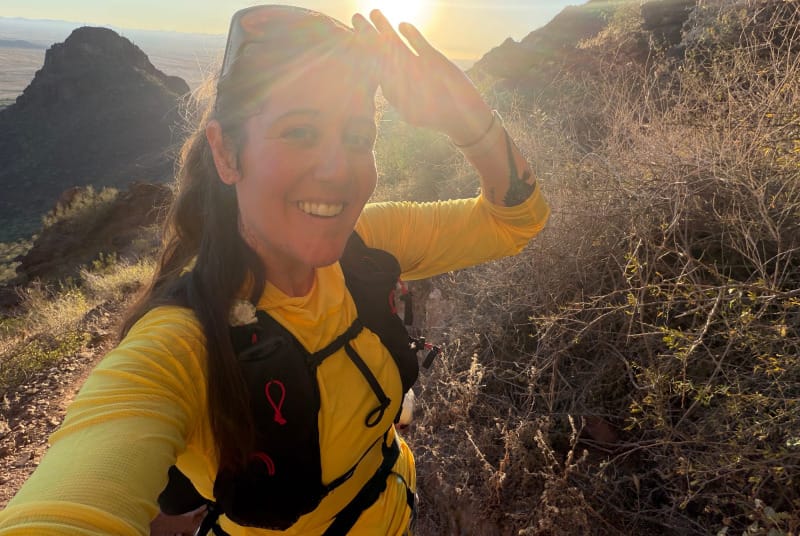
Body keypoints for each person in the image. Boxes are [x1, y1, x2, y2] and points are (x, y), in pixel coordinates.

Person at [0, 5, 549, 535]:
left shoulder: (366, 244)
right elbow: (70, 501)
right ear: (227, 152)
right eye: (299, 132)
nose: (337, 170)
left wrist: (470, 121)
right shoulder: (180, 346)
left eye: (358, 137)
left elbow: (515, 220)